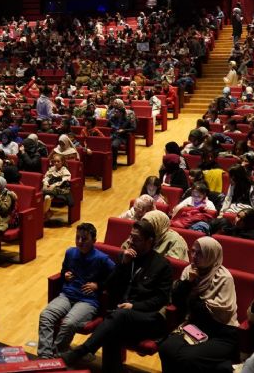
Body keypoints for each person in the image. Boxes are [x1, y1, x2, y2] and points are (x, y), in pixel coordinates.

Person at [62, 220, 172, 373]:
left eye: (137, 239)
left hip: (148, 319)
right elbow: (108, 285)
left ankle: (81, 351)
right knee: (113, 326)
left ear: (150, 241)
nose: (131, 242)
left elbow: (160, 299)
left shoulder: (162, 265)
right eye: (130, 237)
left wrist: (134, 306)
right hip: (120, 316)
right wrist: (123, 264)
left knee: (115, 319)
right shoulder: (127, 258)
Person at [159, 237, 240, 373]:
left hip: (221, 331)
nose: (194, 257)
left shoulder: (224, 277)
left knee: (187, 358)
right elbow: (177, 301)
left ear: (211, 255)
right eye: (192, 252)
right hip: (195, 325)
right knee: (166, 348)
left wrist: (193, 299)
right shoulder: (189, 271)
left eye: (200, 253)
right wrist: (188, 283)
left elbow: (221, 312)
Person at [37, 223, 116, 359]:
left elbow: (117, 276)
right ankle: (44, 356)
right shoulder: (70, 252)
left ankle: (58, 354)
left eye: (84, 239)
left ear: (94, 240)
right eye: (77, 238)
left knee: (69, 323)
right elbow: (63, 271)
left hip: (88, 301)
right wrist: (65, 275)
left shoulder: (102, 259)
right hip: (67, 295)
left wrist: (99, 286)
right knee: (46, 316)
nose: (80, 242)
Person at [42, 153, 72, 220]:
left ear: (62, 162)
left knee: (47, 197)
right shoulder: (52, 169)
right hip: (49, 188)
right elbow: (46, 177)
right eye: (54, 161)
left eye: (58, 161)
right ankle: (46, 213)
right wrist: (46, 183)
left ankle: (42, 215)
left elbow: (63, 182)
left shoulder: (65, 170)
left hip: (59, 189)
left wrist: (54, 185)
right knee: (41, 196)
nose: (56, 163)